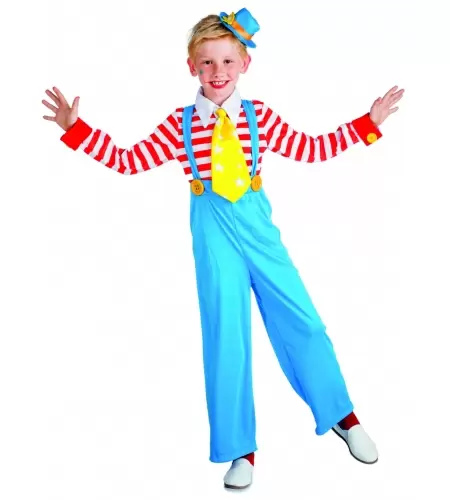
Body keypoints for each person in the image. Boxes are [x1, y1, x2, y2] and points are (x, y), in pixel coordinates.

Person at [42, 7, 404, 491]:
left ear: (244, 65)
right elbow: (128, 161)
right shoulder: (180, 125)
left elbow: (312, 148)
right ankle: (240, 449)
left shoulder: (259, 117)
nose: (218, 72)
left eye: (228, 61)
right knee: (226, 337)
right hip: (213, 237)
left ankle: (342, 415)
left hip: (259, 232)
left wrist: (367, 124)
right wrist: (76, 129)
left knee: (303, 320)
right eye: (208, 62)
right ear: (192, 66)